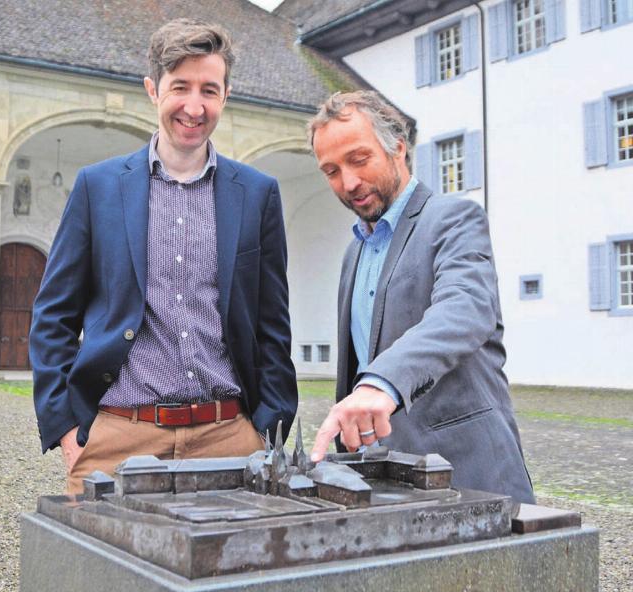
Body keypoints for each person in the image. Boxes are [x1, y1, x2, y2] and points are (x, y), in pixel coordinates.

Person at [29, 19, 297, 495]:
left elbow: (272, 327)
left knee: (234, 571)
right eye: (181, 87)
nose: (194, 107)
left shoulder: (257, 194)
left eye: (209, 91)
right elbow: (53, 317)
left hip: (229, 438)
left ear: (225, 96)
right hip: (119, 437)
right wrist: (68, 431)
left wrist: (267, 431)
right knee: (98, 571)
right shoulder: (99, 188)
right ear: (153, 90)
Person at [307, 91, 534, 503]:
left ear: (397, 147)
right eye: (332, 170)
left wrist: (382, 384)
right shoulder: (353, 251)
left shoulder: (454, 218)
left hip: (471, 476)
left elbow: (465, 308)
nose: (349, 182)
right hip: (389, 484)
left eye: (359, 159)